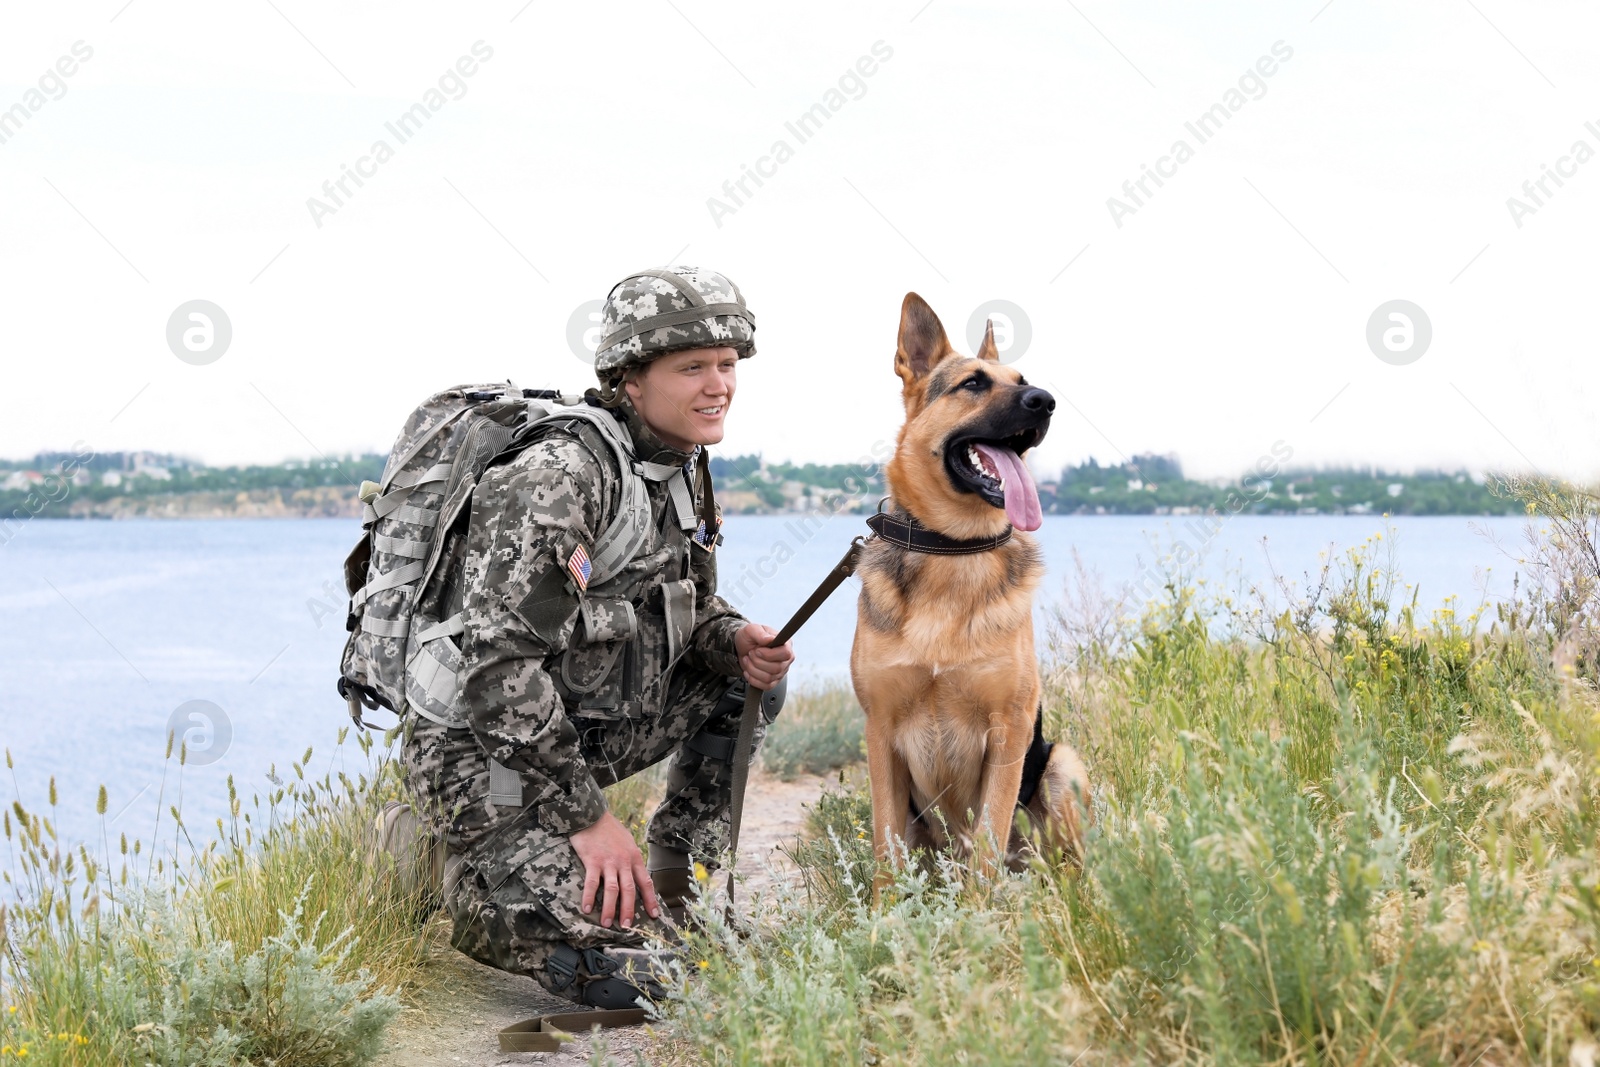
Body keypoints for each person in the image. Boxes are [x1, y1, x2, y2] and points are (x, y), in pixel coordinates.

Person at [413, 265, 794, 1008]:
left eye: (726, 365)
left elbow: (681, 610)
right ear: (630, 379)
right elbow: (497, 674)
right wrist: (589, 819)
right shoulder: (559, 475)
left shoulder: (680, 466)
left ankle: (683, 894)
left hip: (572, 735)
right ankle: (440, 867)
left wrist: (732, 639)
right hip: (483, 757)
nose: (719, 385)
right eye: (693, 368)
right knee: (626, 974)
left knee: (748, 681)